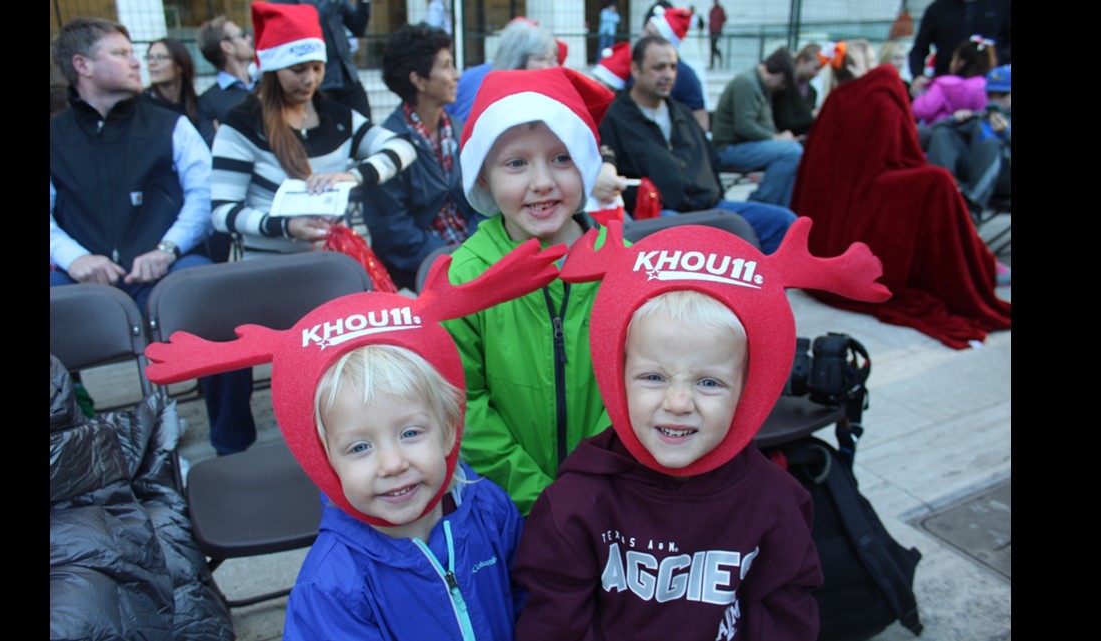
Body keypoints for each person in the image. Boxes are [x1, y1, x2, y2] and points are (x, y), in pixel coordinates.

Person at [142, 243, 568, 640]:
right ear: (324, 460)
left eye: (410, 433)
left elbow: (528, 602)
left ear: (450, 430)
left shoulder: (491, 510)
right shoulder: (331, 587)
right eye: (359, 447)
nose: (392, 462)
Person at [513, 218, 894, 640]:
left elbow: (786, 614)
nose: (678, 403)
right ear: (615, 374)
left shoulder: (776, 501)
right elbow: (552, 623)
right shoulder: (573, 504)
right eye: (653, 377)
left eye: (708, 382)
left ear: (747, 390)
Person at [50, 17, 256, 456]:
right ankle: (80, 451)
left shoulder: (171, 125)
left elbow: (204, 196)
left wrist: (169, 248)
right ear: (82, 65)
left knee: (218, 306)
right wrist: (75, 259)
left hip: (169, 268)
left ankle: (234, 449)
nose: (136, 62)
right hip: (83, 280)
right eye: (121, 53)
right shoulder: (54, 136)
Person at [441, 66, 619, 515]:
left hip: (612, 496)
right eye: (516, 163)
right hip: (503, 504)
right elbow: (464, 404)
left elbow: (642, 383)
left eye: (562, 158)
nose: (542, 181)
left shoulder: (625, 264)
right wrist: (539, 496)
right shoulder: (466, 275)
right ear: (483, 178)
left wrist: (594, 480)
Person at [790, 63, 1010, 348]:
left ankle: (982, 259)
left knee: (938, 182)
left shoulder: (840, 99)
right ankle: (979, 261)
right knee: (938, 183)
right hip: (865, 201)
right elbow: (895, 152)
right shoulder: (881, 96)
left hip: (826, 235)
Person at [210, 2, 417, 260]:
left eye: (317, 68)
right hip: (267, 272)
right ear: (272, 71)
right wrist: (285, 226)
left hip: (333, 265)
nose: (310, 79)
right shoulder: (241, 125)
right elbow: (223, 212)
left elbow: (404, 147)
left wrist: (352, 176)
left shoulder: (338, 118)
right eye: (298, 70)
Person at [600, 36, 797, 253]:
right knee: (690, 235)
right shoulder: (613, 119)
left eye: (673, 67)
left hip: (711, 207)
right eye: (659, 67)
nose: (668, 75)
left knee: (784, 223)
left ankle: (764, 285)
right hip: (661, 217)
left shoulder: (683, 113)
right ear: (636, 69)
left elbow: (712, 161)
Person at [363, 23, 484, 289]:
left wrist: (478, 249)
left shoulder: (462, 131)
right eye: (446, 65)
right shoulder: (387, 145)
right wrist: (452, 260)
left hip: (478, 258)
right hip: (421, 275)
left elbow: (485, 199)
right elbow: (393, 230)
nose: (456, 75)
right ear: (418, 79)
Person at [711, 46, 803, 207]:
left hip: (742, 146)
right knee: (792, 153)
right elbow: (744, 125)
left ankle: (780, 210)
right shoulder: (747, 82)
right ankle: (760, 203)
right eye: (782, 83)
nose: (781, 88)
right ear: (777, 73)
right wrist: (776, 138)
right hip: (728, 149)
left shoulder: (757, 84)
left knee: (794, 153)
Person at [924, 64, 1011, 216]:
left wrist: (1007, 134)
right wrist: (953, 120)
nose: (995, 101)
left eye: (1002, 95)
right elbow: (928, 135)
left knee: (990, 143)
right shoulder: (983, 117)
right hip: (974, 175)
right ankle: (942, 191)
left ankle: (972, 210)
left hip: (1005, 178)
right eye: (991, 95)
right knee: (943, 133)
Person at [447, 17, 562, 122]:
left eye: (554, 58)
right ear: (517, 61)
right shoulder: (501, 103)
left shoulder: (481, 77)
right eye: (544, 58)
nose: (555, 66)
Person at [271, 0, 373, 118]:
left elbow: (358, 29)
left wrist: (364, 2)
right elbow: (302, 23)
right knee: (329, 133)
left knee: (365, 129)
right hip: (318, 84)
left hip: (348, 78)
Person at [908, 0, 1010, 97]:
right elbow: (919, 49)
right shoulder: (938, 9)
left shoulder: (1002, 5)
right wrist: (918, 75)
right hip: (947, 87)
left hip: (991, 86)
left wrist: (995, 61)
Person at [196, 15, 256, 147]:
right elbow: (216, 148)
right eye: (242, 35)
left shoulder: (266, 83)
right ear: (227, 47)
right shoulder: (207, 102)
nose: (249, 38)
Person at [912, 36, 996, 125]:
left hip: (941, 133)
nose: (951, 63)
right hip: (974, 134)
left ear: (961, 62)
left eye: (953, 59)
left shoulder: (944, 84)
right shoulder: (985, 85)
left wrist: (920, 95)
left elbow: (923, 110)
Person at [142, 37, 200, 129]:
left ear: (180, 65)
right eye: (149, 58)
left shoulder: (198, 105)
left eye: (160, 57)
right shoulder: (142, 105)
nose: (151, 63)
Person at [772, 43, 821, 137]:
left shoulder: (812, 92)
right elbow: (785, 123)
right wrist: (811, 115)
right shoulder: (783, 85)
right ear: (802, 60)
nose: (817, 74)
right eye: (816, 68)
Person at [708, 0, 726, 69]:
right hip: (712, 31)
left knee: (713, 47)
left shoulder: (720, 10)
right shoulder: (712, 10)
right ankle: (712, 63)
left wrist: (719, 25)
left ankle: (719, 56)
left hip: (717, 31)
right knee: (712, 47)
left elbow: (724, 19)